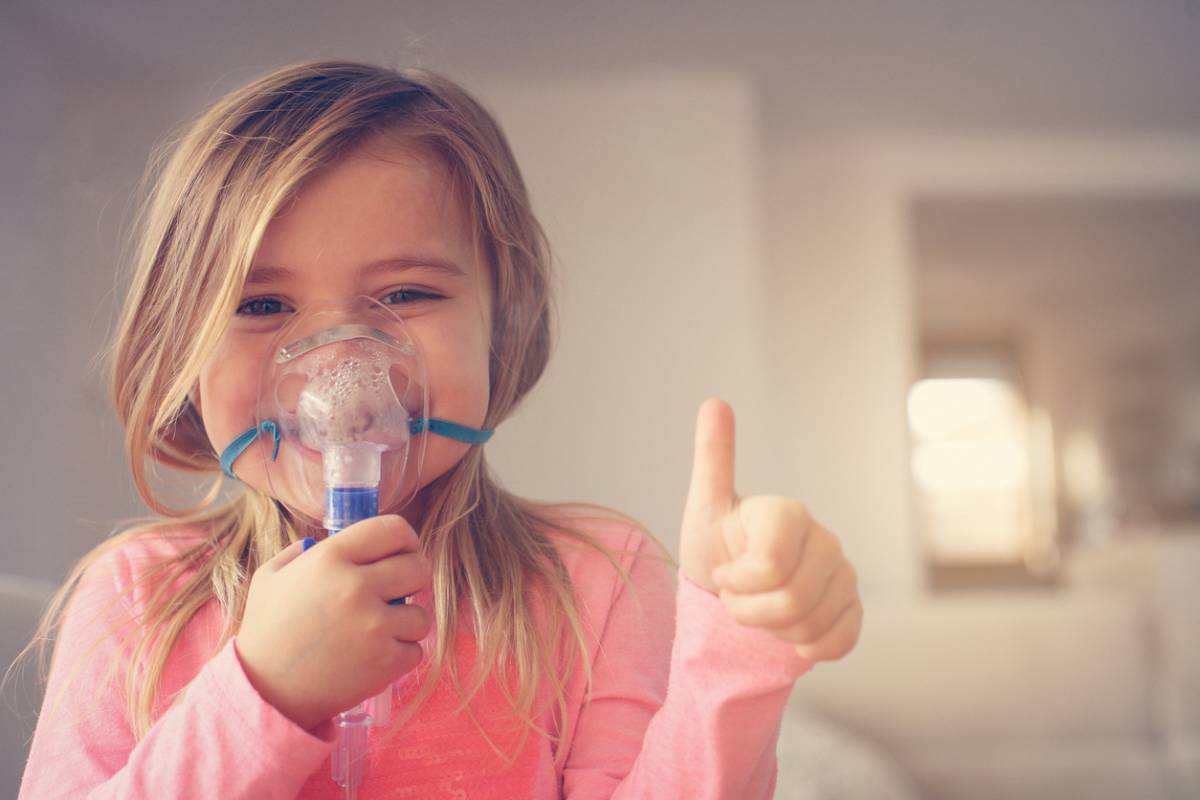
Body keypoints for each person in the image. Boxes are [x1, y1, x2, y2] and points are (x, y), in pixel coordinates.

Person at [17, 61, 863, 799]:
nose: (339, 363)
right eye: (262, 305)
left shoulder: (594, 584)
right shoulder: (138, 602)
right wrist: (260, 695)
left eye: (406, 295)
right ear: (180, 349)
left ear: (506, 323)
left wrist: (738, 644)